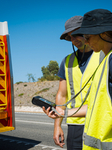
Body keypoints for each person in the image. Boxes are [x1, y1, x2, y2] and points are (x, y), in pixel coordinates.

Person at [43, 9, 112, 150]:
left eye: (79, 35)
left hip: (99, 122)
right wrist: (57, 125)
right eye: (70, 37)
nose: (75, 40)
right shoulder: (67, 61)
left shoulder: (104, 55)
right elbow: (62, 95)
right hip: (75, 123)